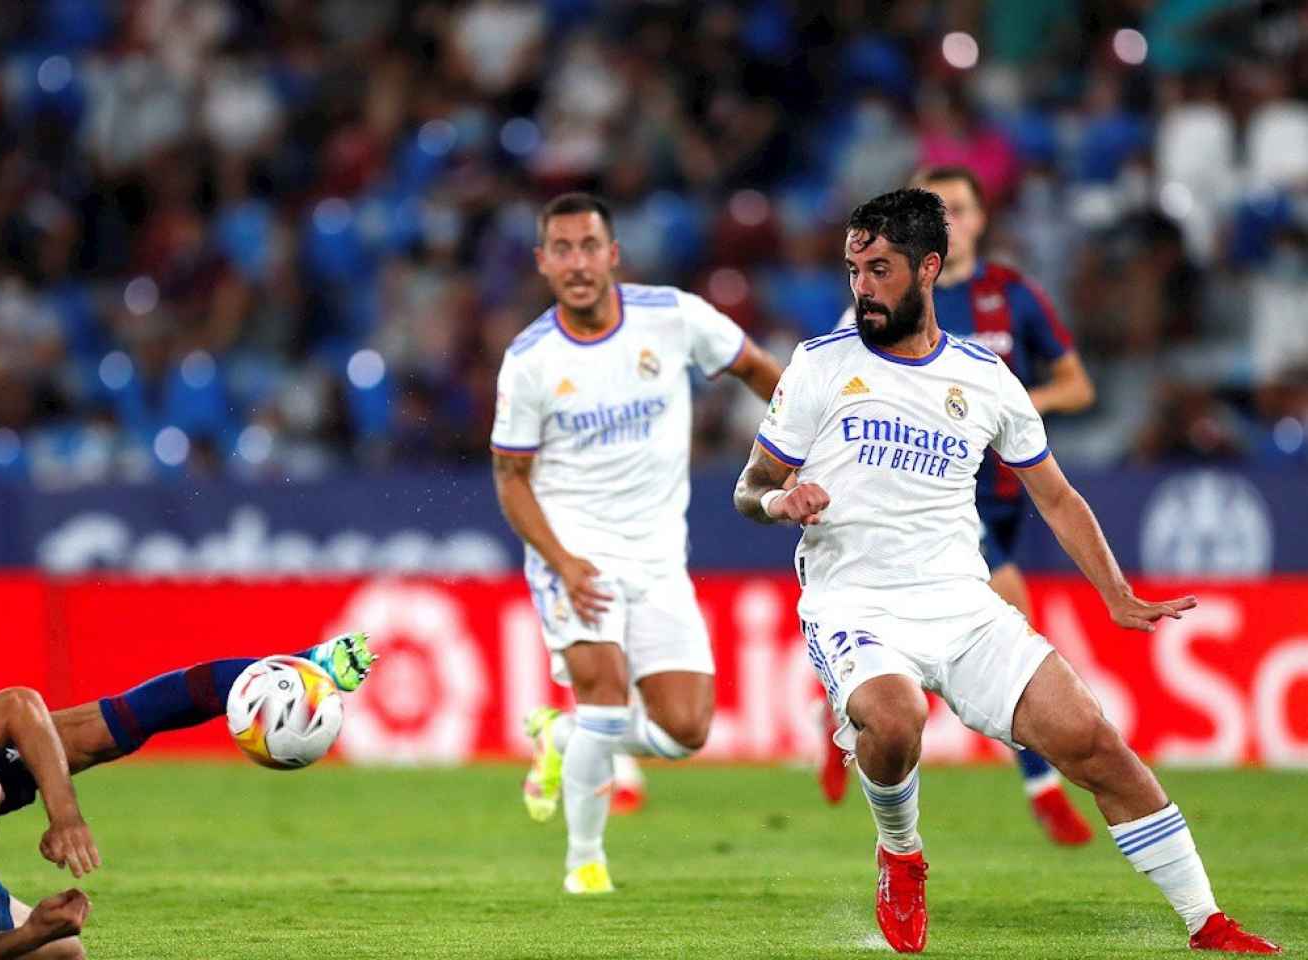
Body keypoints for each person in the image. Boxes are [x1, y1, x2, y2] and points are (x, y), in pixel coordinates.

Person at [731, 188, 1279, 954]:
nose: (862, 287)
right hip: (854, 601)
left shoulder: (984, 377)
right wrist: (782, 499)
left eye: (879, 269)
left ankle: (1206, 921)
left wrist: (1117, 594)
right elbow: (748, 488)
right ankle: (902, 852)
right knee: (895, 720)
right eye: (854, 269)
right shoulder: (820, 367)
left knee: (1096, 744)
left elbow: (1055, 495)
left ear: (928, 268)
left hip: (963, 602)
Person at [490, 192, 783, 894]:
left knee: (687, 731)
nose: (577, 262)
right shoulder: (529, 360)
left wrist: (811, 435)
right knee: (605, 703)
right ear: (543, 263)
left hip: (658, 558)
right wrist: (561, 562)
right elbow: (510, 478)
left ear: (612, 254)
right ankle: (583, 863)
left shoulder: (672, 317)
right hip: (576, 554)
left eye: (589, 246)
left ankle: (558, 739)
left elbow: (756, 368)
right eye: (561, 249)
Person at [816, 165, 1098, 846]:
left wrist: (1019, 411)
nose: (952, 216)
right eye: (936, 205)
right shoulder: (883, 299)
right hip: (933, 505)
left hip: (1005, 495)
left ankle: (849, 720)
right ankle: (1042, 788)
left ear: (976, 221)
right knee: (1014, 608)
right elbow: (830, 386)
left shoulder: (1014, 297)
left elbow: (1077, 384)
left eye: (961, 207)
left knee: (965, 637)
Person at [0, 633, 375, 959]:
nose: (4, 791)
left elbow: (19, 705)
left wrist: (63, 814)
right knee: (62, 956)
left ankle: (290, 672)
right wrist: (32, 932)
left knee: (93, 736)